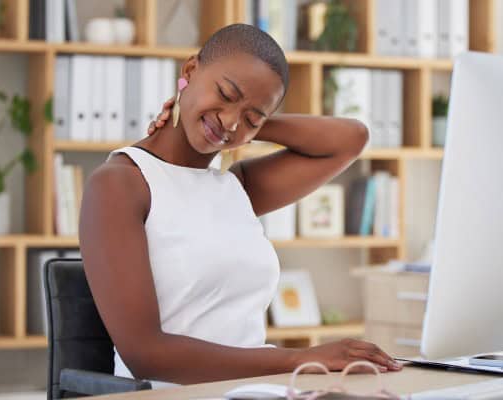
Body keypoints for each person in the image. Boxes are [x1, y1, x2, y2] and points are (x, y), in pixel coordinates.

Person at [79, 23, 401, 386]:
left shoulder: (236, 187)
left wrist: (246, 121)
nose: (232, 121)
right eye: (226, 93)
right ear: (190, 71)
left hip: (253, 392)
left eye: (251, 117)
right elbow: (145, 354)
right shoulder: (121, 183)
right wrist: (299, 358)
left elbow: (351, 138)